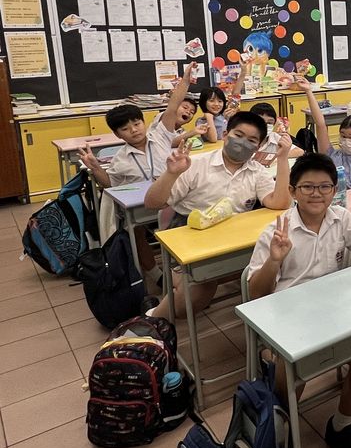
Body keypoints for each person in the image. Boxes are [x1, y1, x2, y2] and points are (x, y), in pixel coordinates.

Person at [247, 153, 351, 448]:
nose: (317, 194)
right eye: (308, 187)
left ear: (334, 189)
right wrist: (274, 260)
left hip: (334, 312)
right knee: (291, 375)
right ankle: (276, 435)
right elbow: (256, 294)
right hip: (288, 318)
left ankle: (342, 425)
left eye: (325, 187)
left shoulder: (341, 217)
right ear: (293, 191)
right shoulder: (277, 232)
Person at [143, 111, 293, 320]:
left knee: (274, 267)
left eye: (251, 140)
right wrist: (171, 173)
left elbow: (280, 203)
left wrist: (282, 158)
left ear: (258, 147)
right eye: (238, 135)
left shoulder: (256, 170)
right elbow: (152, 203)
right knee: (196, 295)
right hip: (189, 235)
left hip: (233, 237)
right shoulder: (195, 164)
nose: (243, 143)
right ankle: (151, 320)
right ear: (225, 135)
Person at [79, 62, 201, 287]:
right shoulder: (120, 159)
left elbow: (173, 105)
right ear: (117, 134)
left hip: (175, 198)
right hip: (143, 205)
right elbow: (110, 185)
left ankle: (190, 268)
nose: (134, 130)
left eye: (136, 124)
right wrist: (95, 167)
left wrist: (185, 80)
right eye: (125, 129)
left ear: (144, 123)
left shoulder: (161, 135)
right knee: (133, 230)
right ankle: (156, 274)